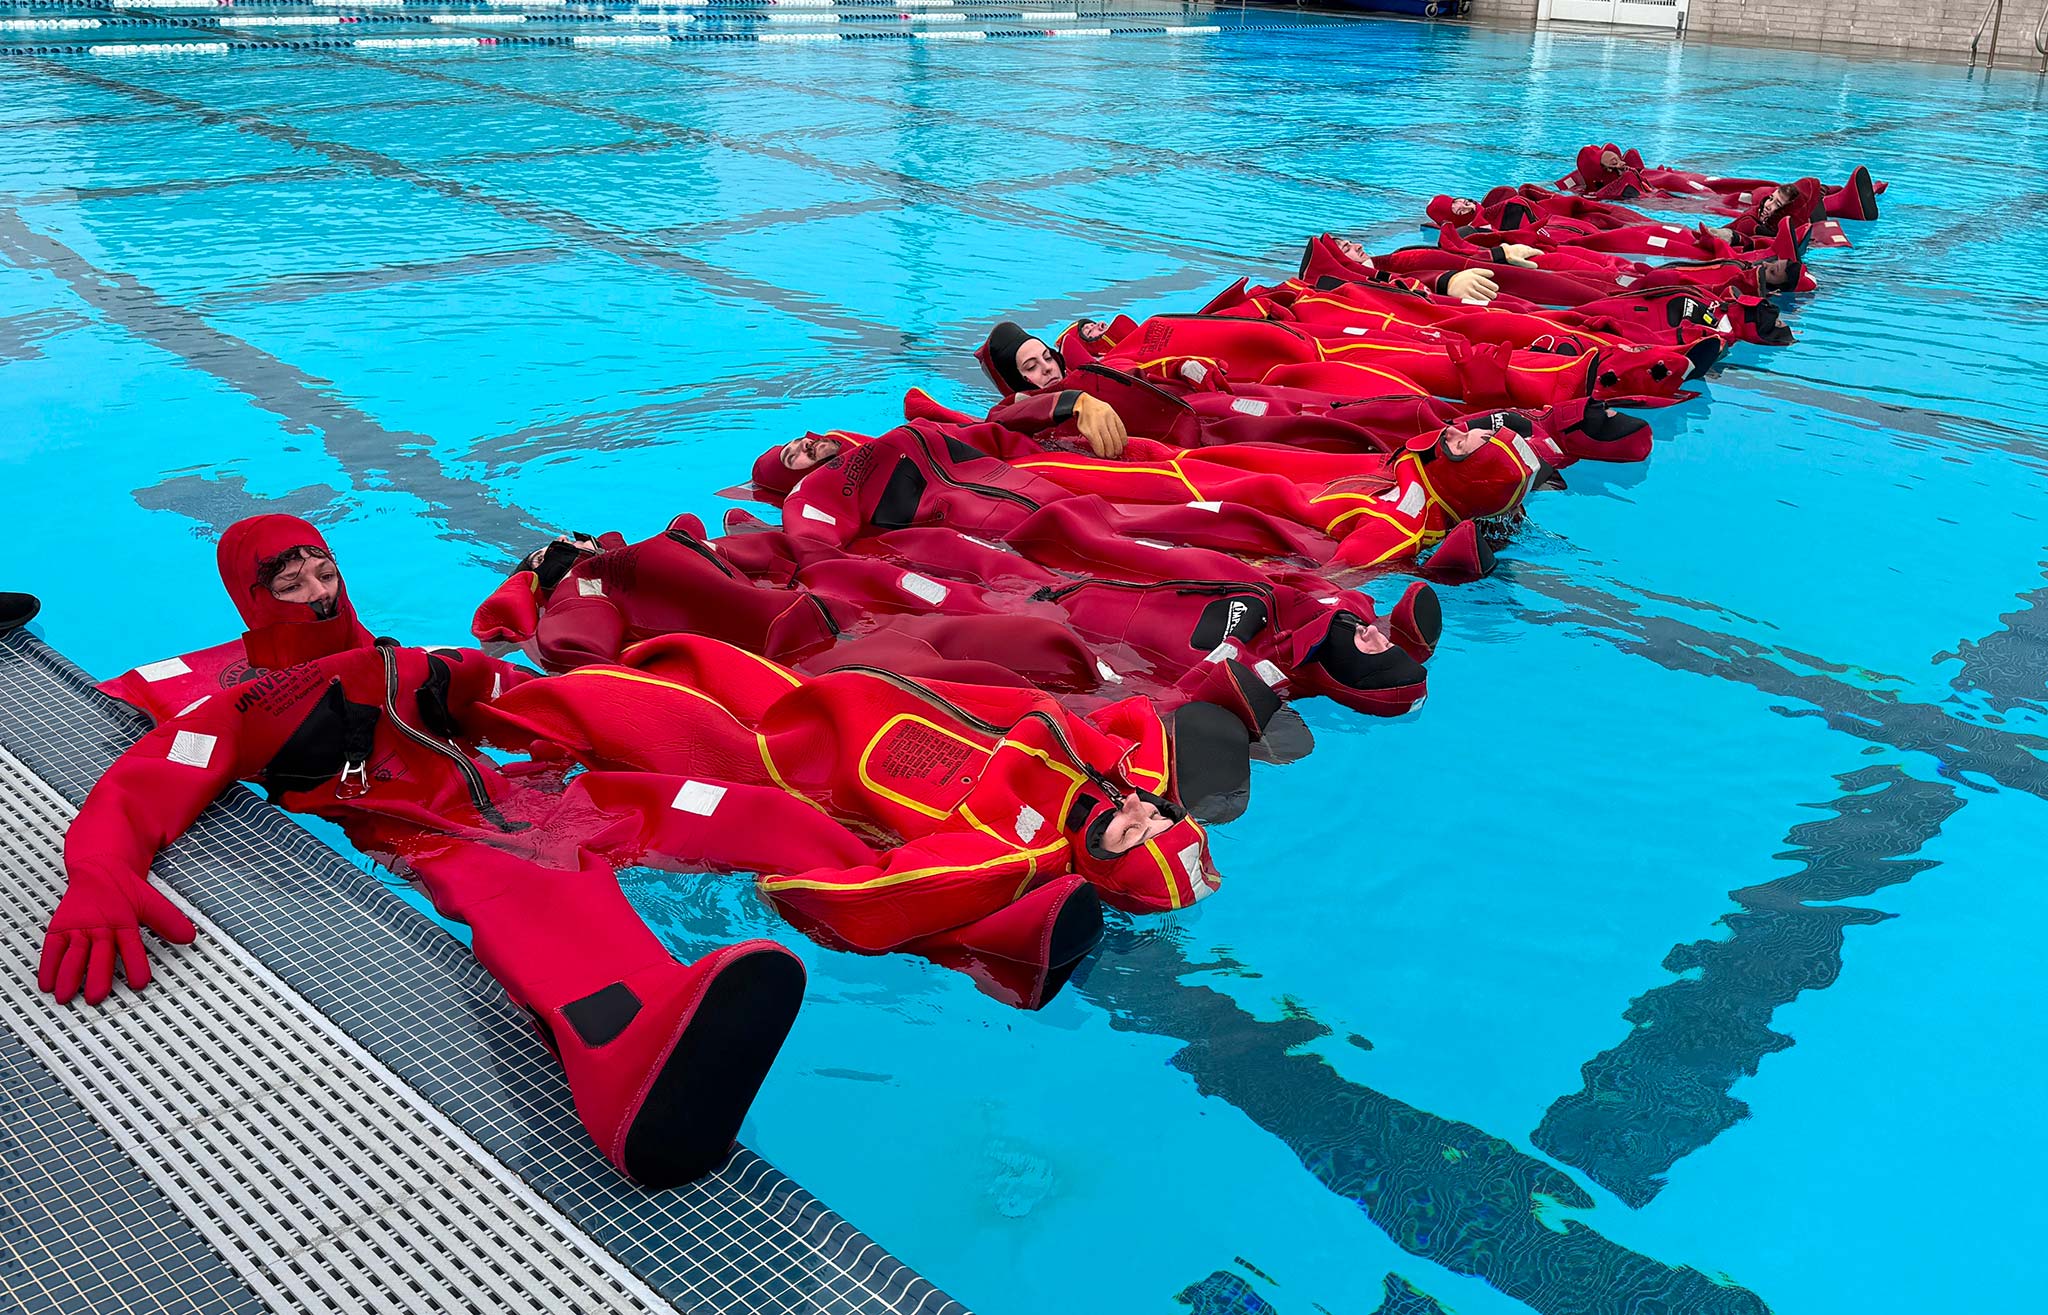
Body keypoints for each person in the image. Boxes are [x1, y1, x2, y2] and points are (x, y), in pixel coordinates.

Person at [50, 514, 810, 1188]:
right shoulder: (243, 707)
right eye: (290, 581)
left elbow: (512, 694)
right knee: (546, 896)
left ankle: (890, 883)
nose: (318, 591)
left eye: (324, 569)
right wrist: (99, 868)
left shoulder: (407, 663)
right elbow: (142, 779)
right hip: (432, 835)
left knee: (742, 812)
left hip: (534, 799)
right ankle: (626, 1061)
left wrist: (574, 729)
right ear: (256, 601)